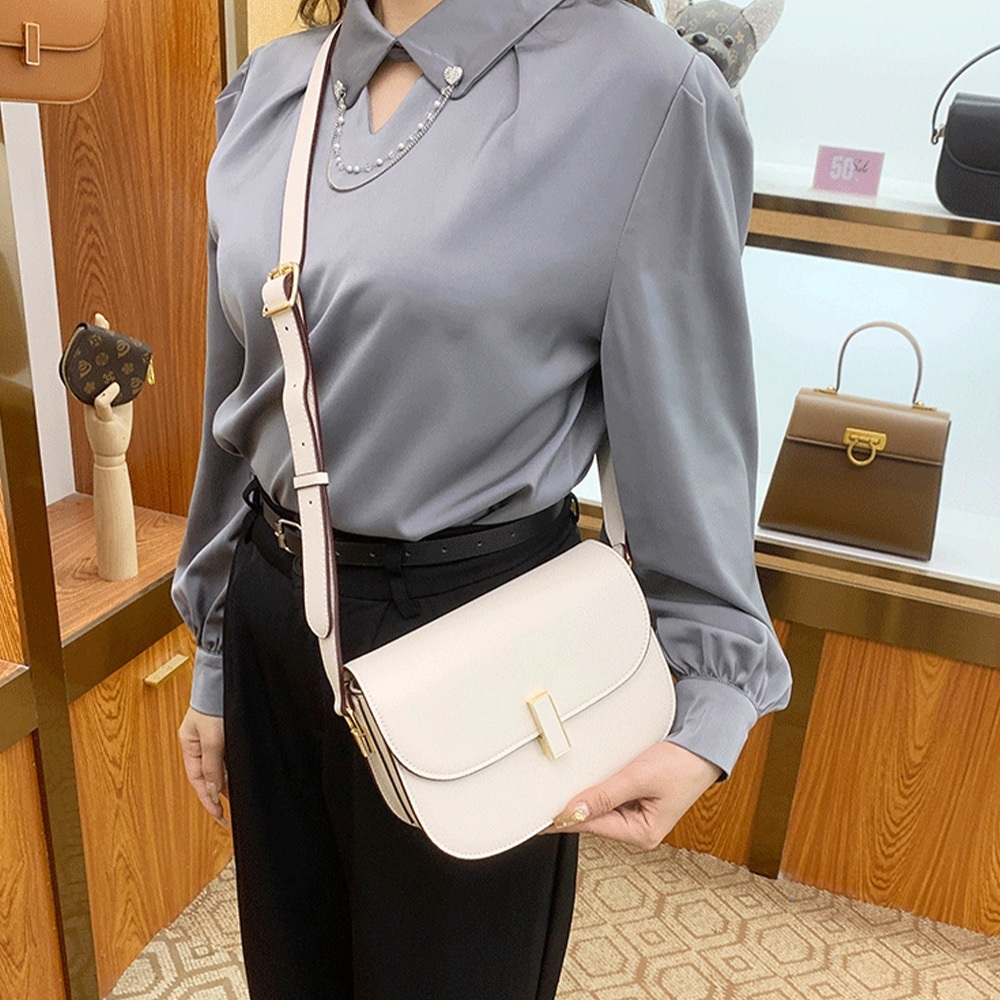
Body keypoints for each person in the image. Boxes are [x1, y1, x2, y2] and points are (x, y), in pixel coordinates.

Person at [170, 0, 793, 996]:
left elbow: (686, 418)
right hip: (271, 612)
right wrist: (214, 651)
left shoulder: (643, 92)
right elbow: (238, 398)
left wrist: (709, 693)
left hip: (481, 641)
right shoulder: (273, 89)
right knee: (291, 971)